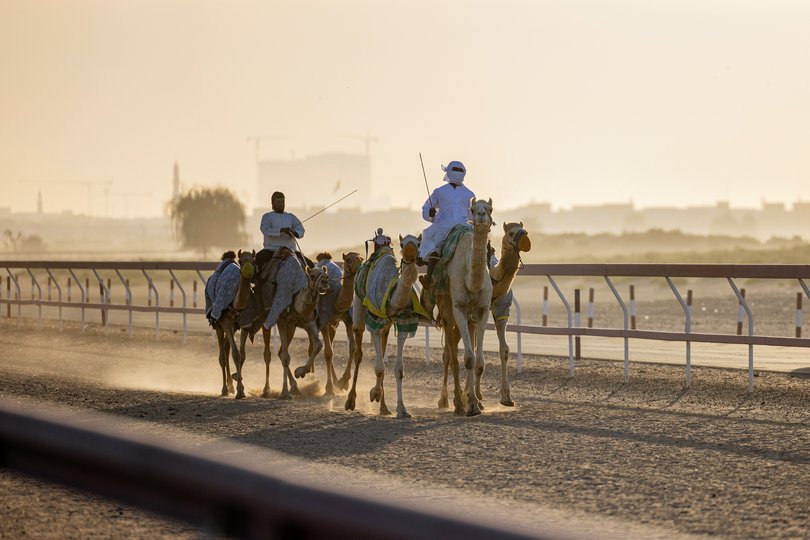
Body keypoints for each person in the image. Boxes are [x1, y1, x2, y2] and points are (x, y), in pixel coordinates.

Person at [418, 160, 475, 285]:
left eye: (460, 171)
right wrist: (430, 213)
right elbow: (426, 207)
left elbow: (472, 215)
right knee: (434, 250)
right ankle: (429, 279)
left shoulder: (470, 194)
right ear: (448, 171)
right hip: (442, 226)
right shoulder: (439, 191)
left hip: (463, 227)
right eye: (455, 170)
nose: (457, 173)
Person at [255, 191, 311, 309]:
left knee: (309, 264)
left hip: (290, 250)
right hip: (271, 249)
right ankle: (257, 284)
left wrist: (295, 232)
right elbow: (265, 230)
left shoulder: (291, 217)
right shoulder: (267, 217)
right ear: (272, 203)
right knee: (258, 258)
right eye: (278, 202)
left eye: (283, 201)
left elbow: (301, 230)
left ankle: (311, 288)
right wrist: (281, 230)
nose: (281, 204)